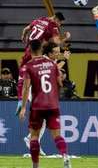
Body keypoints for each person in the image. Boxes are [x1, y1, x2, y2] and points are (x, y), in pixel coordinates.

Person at [18, 40, 72, 168]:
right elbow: (59, 82)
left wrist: (23, 107)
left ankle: (35, 165)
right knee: (57, 135)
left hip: (37, 103)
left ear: (30, 50)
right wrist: (64, 60)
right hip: (52, 103)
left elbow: (25, 88)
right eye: (56, 52)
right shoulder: (51, 64)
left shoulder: (29, 65)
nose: (57, 54)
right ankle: (65, 156)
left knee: (34, 136)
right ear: (44, 50)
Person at [17, 12, 71, 114]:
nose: (59, 25)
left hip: (29, 48)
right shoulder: (53, 26)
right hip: (34, 52)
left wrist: (23, 36)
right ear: (55, 19)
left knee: (23, 73)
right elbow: (56, 41)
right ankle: (22, 102)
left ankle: (21, 101)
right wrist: (66, 37)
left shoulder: (40, 19)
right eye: (60, 23)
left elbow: (25, 29)